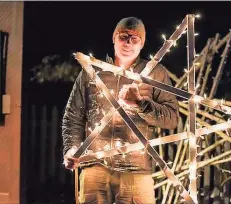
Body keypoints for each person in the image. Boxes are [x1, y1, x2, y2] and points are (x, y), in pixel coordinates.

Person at [62, 16, 179, 204]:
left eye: (135, 39)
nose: (128, 43)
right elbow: (73, 115)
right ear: (114, 37)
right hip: (95, 165)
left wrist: (141, 104)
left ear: (142, 43)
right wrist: (71, 148)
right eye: (124, 37)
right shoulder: (93, 72)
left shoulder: (155, 74)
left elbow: (172, 119)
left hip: (136, 171)